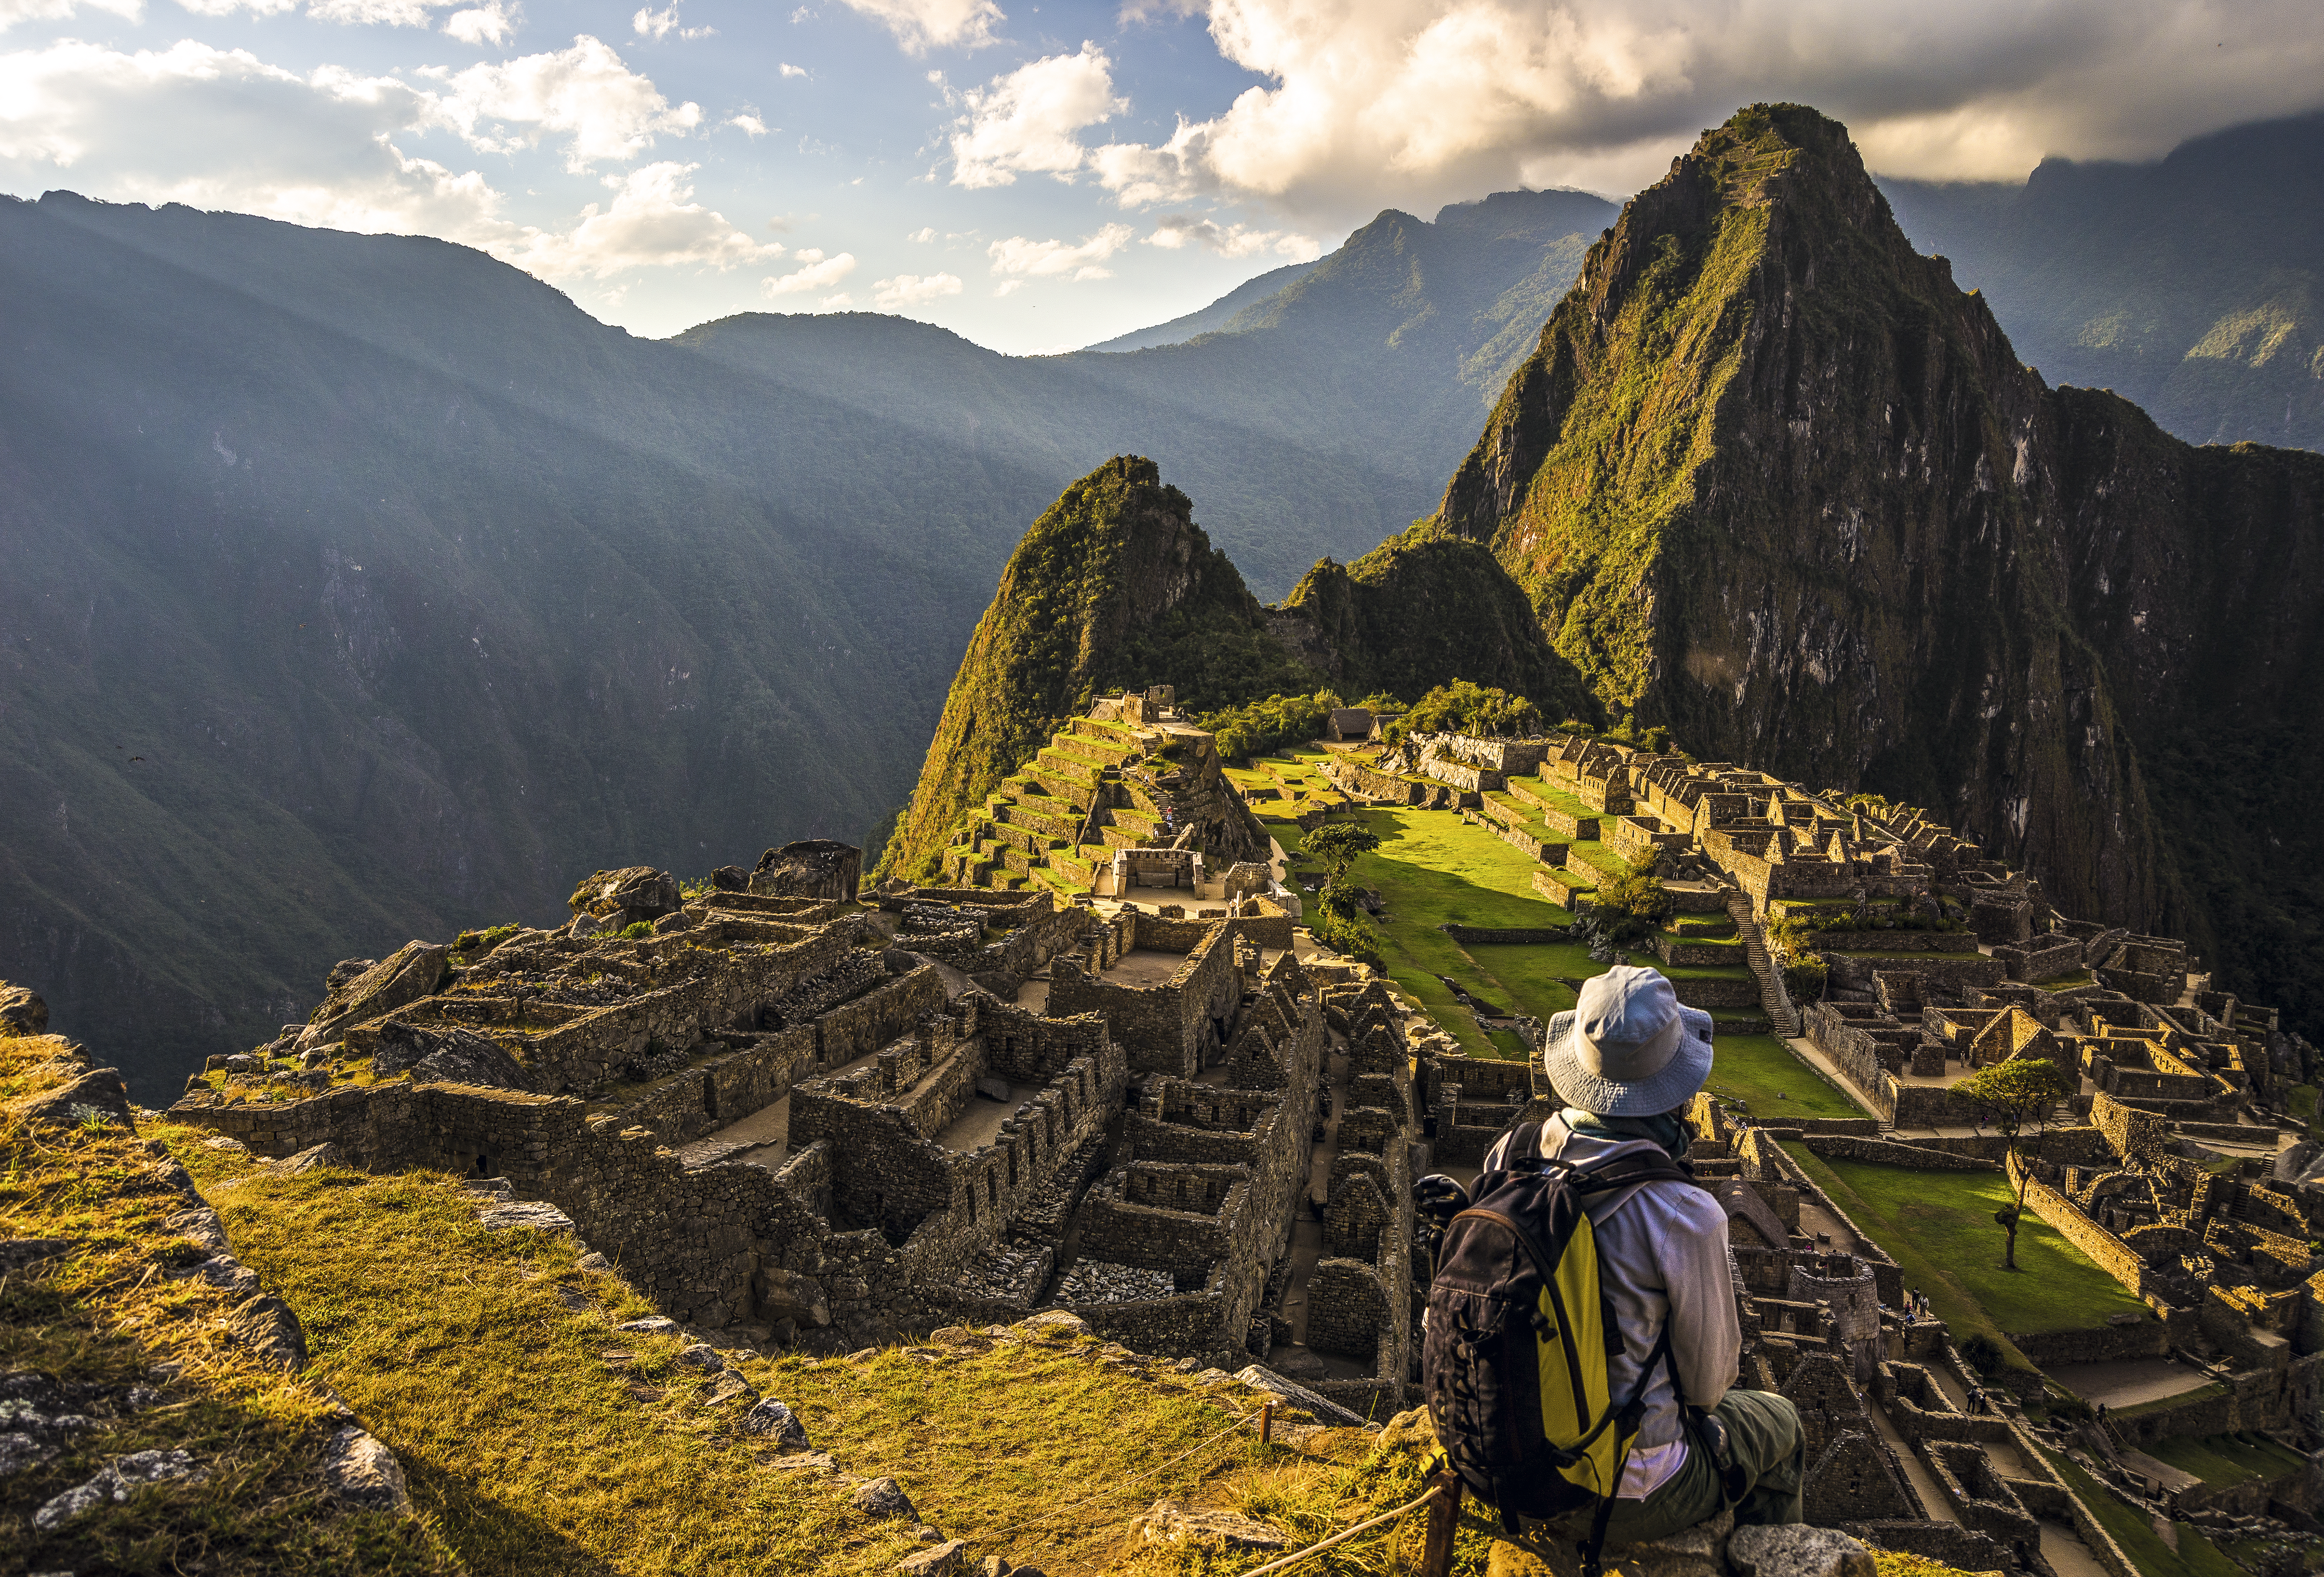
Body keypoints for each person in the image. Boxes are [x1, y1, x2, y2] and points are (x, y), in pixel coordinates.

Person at [1473, 966, 1805, 1573]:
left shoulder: (1510, 1157)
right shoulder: (1684, 1213)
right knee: (1780, 1425)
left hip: (1499, 1458)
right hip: (1620, 1489)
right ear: (1676, 1091)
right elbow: (1708, 1388)